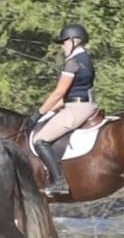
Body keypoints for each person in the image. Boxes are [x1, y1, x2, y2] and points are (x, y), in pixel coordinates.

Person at [26, 23, 99, 196]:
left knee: (40, 139)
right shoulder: (86, 59)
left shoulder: (72, 63)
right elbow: (74, 93)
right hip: (82, 104)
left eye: (65, 41)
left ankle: (59, 181)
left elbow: (58, 93)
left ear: (75, 40)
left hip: (77, 109)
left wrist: (39, 113)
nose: (63, 45)